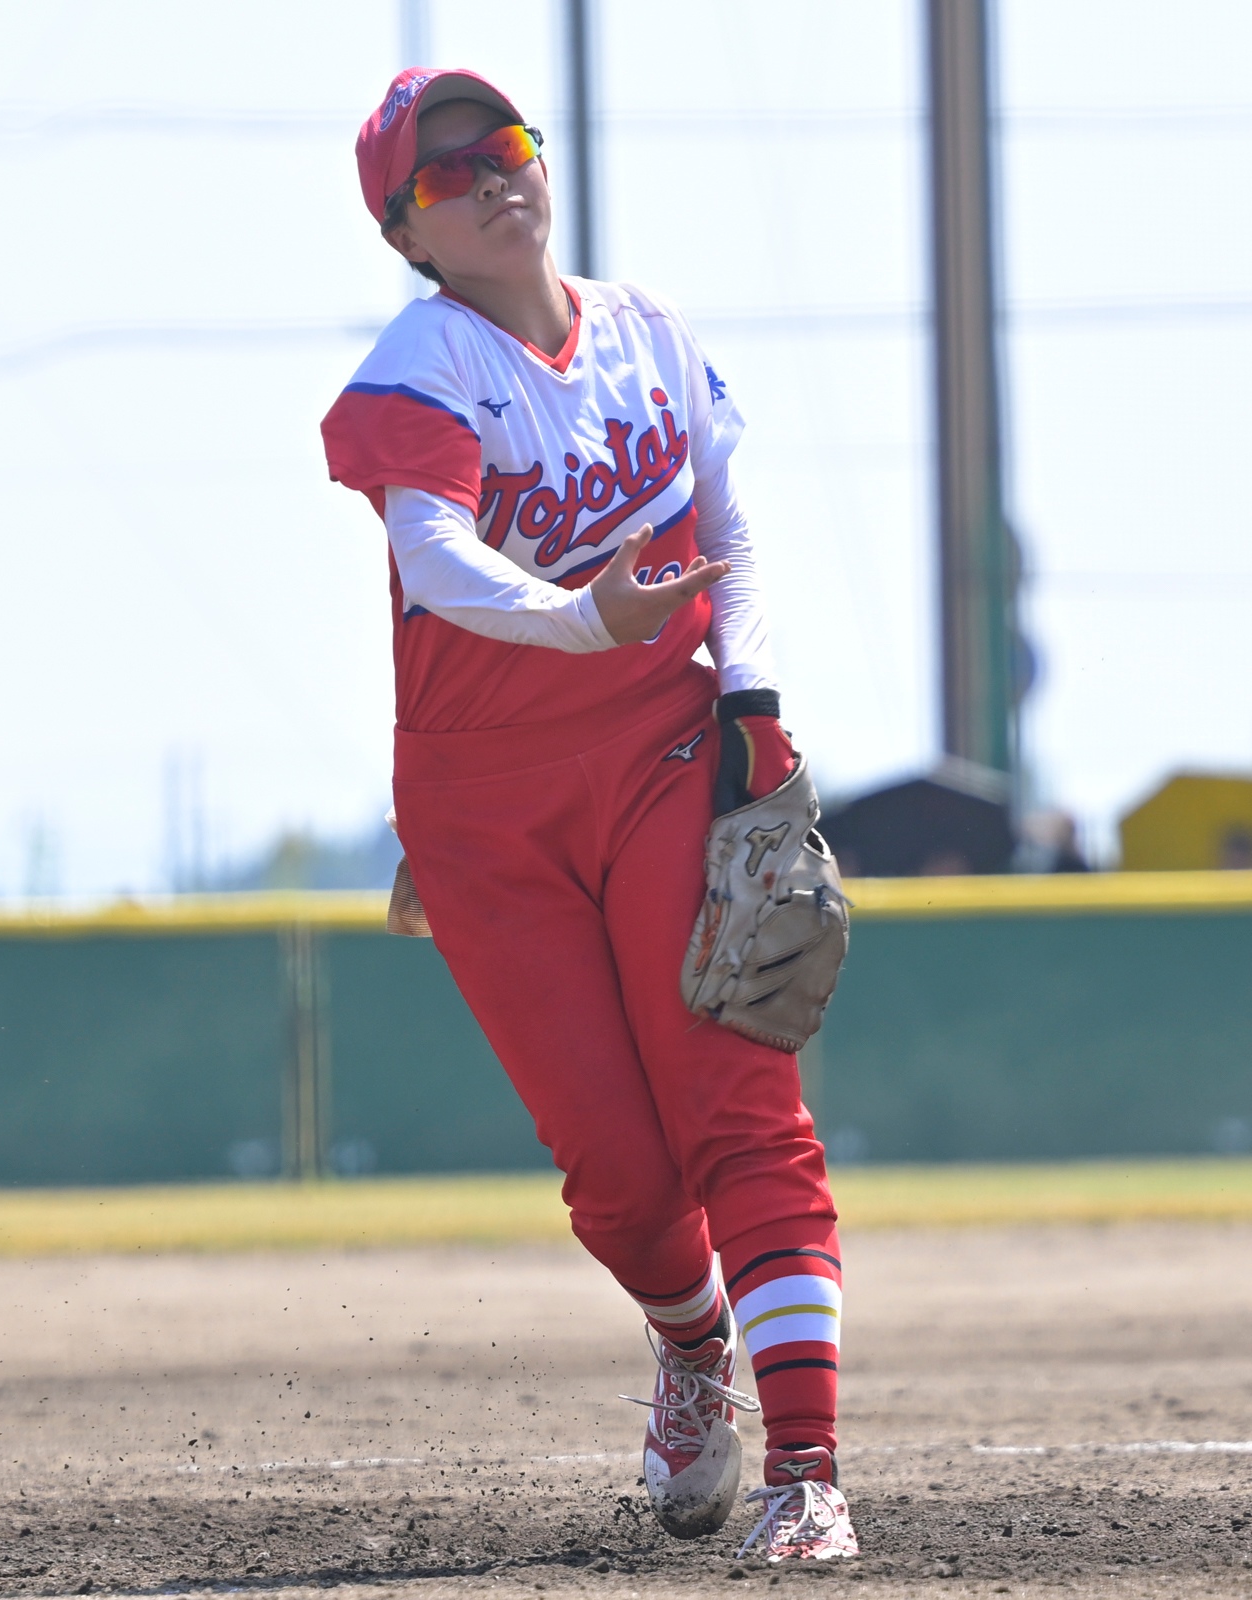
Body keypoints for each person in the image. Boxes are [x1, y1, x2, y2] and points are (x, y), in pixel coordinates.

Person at [319, 67, 855, 1564]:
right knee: (617, 1177)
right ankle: (691, 1345)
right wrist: (581, 616)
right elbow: (432, 555)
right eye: (446, 174)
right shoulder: (422, 364)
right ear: (406, 234)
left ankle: (808, 1475)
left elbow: (729, 533)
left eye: (505, 147)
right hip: (481, 808)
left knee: (741, 1108)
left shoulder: (648, 332)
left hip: (661, 754)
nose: (492, 179)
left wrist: (752, 704)